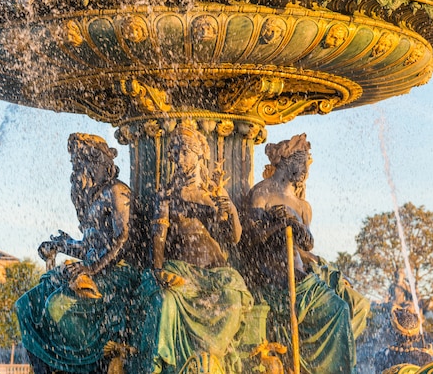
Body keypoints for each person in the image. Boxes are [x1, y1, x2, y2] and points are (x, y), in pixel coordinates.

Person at [242, 133, 369, 373]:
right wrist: (279, 225)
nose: (305, 170)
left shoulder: (302, 205)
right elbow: (252, 239)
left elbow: (308, 243)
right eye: (301, 163)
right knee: (339, 310)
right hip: (276, 276)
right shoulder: (262, 193)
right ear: (287, 162)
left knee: (349, 306)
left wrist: (295, 223)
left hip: (302, 277)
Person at [135, 120, 253, 373]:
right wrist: (157, 269)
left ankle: (212, 358)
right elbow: (159, 235)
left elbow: (233, 238)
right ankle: (163, 365)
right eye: (174, 152)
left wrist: (229, 209)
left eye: (184, 151)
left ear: (200, 153)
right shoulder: (165, 194)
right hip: (180, 271)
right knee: (165, 300)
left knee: (233, 299)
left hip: (215, 274)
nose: (178, 157)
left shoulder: (213, 194)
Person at [15, 133, 139, 374]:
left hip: (117, 274)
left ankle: (86, 366)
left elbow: (124, 238)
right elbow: (88, 247)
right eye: (75, 163)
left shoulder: (116, 191)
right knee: (26, 304)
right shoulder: (90, 198)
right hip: (91, 270)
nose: (76, 170)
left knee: (56, 305)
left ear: (98, 163)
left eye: (80, 162)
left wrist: (92, 268)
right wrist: (60, 246)